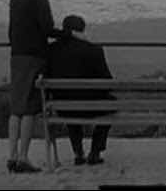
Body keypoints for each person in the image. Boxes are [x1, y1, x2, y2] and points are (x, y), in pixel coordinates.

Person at [6, 0, 64, 174]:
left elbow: (11, 30)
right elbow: (47, 29)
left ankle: (11, 155)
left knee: (16, 108)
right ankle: (23, 157)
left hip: (17, 55)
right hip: (34, 56)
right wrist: (68, 35)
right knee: (30, 108)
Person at [46, 14, 116, 166]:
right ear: (82, 30)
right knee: (112, 104)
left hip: (63, 107)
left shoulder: (51, 51)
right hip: (92, 107)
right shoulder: (94, 50)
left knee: (69, 101)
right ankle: (95, 151)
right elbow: (108, 82)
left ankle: (78, 152)